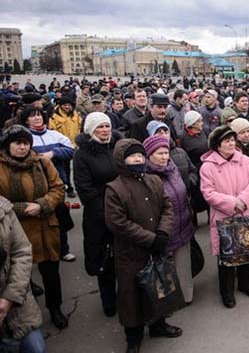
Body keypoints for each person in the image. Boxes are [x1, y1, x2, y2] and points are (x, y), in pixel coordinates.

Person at [104, 138, 181, 353]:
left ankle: (158, 325)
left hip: (157, 246)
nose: (137, 159)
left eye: (140, 155)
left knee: (158, 288)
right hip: (130, 253)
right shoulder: (114, 189)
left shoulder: (154, 180)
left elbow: (167, 207)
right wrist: (150, 239)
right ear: (122, 160)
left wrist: (163, 232)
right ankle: (133, 339)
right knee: (132, 298)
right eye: (132, 156)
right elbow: (118, 223)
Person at [0, 125, 68, 330]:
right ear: (7, 145)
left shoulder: (42, 162)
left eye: (26, 143)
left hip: (45, 225)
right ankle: (25, 315)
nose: (23, 147)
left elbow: (58, 188)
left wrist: (42, 205)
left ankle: (55, 308)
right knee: (20, 273)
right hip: (15, 228)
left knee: (51, 272)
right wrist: (21, 208)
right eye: (17, 143)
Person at [200, 126, 249, 308]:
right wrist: (232, 203)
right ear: (217, 145)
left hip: (247, 211)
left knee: (248, 251)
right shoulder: (208, 166)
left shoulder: (245, 160)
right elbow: (208, 192)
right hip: (224, 216)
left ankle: (247, 284)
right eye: (226, 141)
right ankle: (226, 292)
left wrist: (242, 200)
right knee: (227, 257)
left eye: (232, 140)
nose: (231, 143)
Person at [73, 112, 121, 317]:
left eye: (107, 126)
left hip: (123, 210)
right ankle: (108, 299)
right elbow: (85, 190)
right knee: (105, 261)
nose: (104, 130)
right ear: (91, 130)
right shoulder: (82, 154)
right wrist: (109, 212)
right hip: (99, 216)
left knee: (125, 257)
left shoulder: (117, 146)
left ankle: (128, 296)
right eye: (99, 127)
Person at [21, 105, 76, 262]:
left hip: (56, 185)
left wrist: (53, 153)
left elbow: (70, 150)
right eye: (32, 116)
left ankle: (63, 250)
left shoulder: (55, 135)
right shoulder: (24, 137)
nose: (37, 118)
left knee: (59, 219)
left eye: (39, 115)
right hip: (32, 186)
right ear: (26, 119)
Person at [143, 135, 195, 305]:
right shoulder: (146, 176)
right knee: (165, 268)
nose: (165, 157)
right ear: (149, 155)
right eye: (160, 153)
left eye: (166, 152)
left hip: (183, 224)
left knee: (183, 266)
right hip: (164, 230)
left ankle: (186, 296)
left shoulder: (172, 169)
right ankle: (168, 302)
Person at [0, 195, 46, 353]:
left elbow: (22, 251)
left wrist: (9, 298)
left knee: (36, 349)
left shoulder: (3, 208)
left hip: (17, 307)